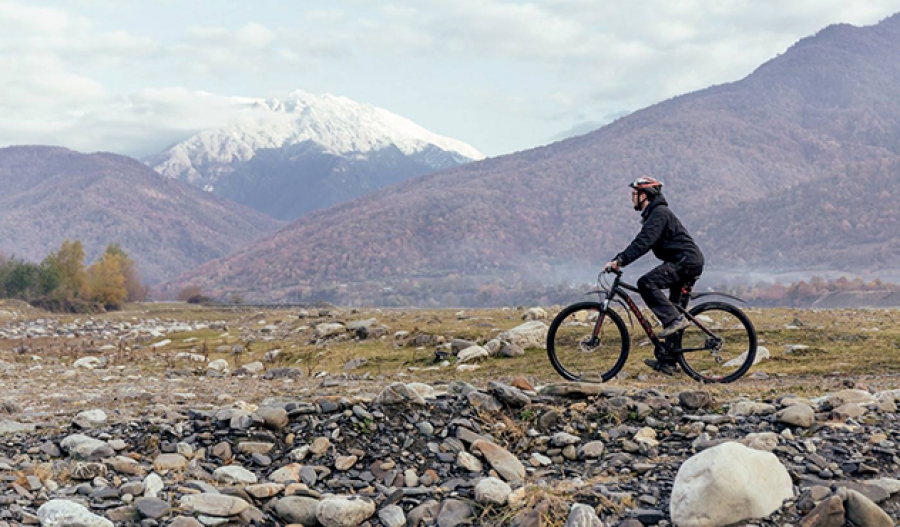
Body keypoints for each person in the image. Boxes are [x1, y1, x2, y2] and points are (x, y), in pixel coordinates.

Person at [602, 176, 704, 374]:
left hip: (685, 263)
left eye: (634, 194)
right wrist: (620, 259)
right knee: (674, 308)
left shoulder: (659, 213)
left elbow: (644, 242)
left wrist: (620, 260)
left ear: (645, 195)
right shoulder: (654, 214)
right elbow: (642, 241)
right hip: (684, 262)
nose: (632, 198)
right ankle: (668, 361)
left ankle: (674, 321)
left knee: (646, 283)